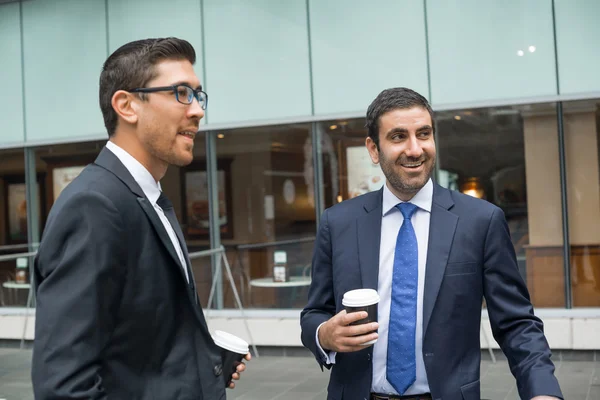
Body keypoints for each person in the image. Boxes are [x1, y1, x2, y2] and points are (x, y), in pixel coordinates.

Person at [300, 87, 563, 400]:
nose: (415, 149)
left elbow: (516, 323)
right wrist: (324, 334)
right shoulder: (338, 222)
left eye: (423, 134)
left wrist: (543, 391)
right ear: (373, 149)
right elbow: (315, 312)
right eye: (398, 137)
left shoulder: (480, 221)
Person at [31, 37, 250, 400]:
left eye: (198, 95)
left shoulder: (149, 197)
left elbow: (140, 343)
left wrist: (204, 365)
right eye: (181, 92)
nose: (197, 110)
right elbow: (64, 386)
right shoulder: (95, 205)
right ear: (127, 105)